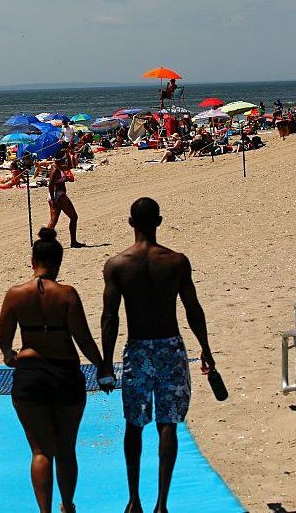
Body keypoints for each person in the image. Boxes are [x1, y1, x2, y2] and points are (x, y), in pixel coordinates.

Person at [99, 198, 216, 513]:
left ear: (130, 223)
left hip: (138, 349)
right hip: (170, 347)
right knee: (169, 423)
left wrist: (105, 363)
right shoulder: (176, 262)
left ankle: (134, 500)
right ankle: (161, 505)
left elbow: (110, 317)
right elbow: (193, 308)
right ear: (159, 222)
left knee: (134, 424)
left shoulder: (117, 265)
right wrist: (205, 348)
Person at [0, 227, 107, 513]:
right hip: (65, 375)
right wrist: (103, 366)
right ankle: (67, 506)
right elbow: (83, 339)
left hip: (30, 376)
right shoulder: (68, 294)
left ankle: (44, 511)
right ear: (58, 263)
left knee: (41, 450)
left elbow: (4, 340)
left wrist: (10, 356)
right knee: (66, 448)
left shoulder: (15, 295)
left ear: (32, 261)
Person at [46, 153, 85, 248]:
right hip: (59, 196)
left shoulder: (59, 166)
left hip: (55, 196)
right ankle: (73, 242)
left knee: (53, 220)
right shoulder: (55, 169)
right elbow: (50, 184)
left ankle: (44, 243)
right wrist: (54, 199)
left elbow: (71, 165)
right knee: (74, 217)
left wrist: (67, 154)